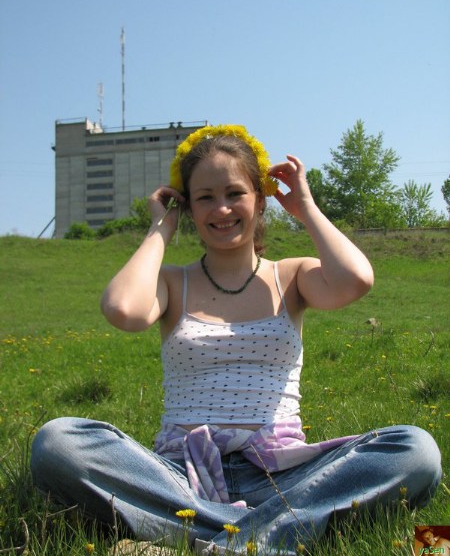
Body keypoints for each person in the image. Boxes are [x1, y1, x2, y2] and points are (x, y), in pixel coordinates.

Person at [31, 125, 442, 555]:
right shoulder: (171, 282)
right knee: (58, 443)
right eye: (205, 197)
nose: (222, 208)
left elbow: (356, 280)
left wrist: (306, 208)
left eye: (235, 193)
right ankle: (267, 535)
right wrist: (160, 228)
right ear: (188, 208)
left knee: (416, 451)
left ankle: (204, 537)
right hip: (180, 475)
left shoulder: (291, 275)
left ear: (260, 200)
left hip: (283, 474)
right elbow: (123, 310)